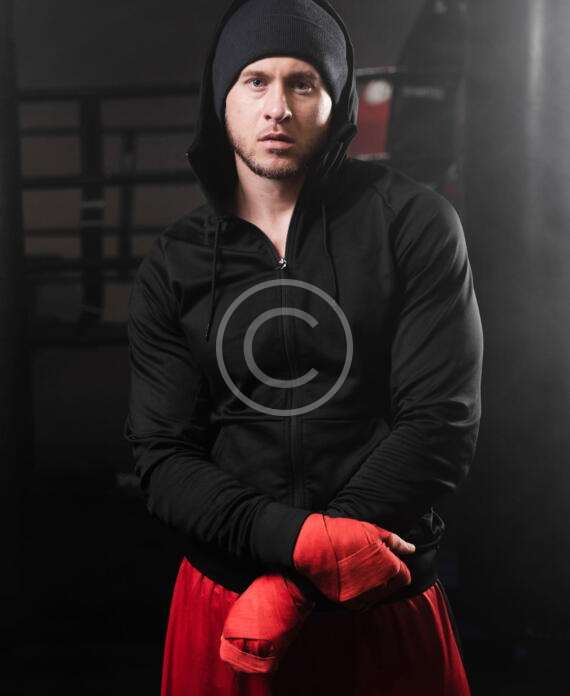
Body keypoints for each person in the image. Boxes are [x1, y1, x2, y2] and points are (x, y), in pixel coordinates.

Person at [123, 0, 484, 694]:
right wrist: (296, 543)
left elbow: (441, 421)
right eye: (256, 80)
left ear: (336, 99)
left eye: (304, 83)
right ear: (222, 97)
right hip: (230, 606)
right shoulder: (175, 263)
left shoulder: (412, 224)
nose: (278, 107)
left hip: (380, 597)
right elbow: (163, 457)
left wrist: (292, 586)